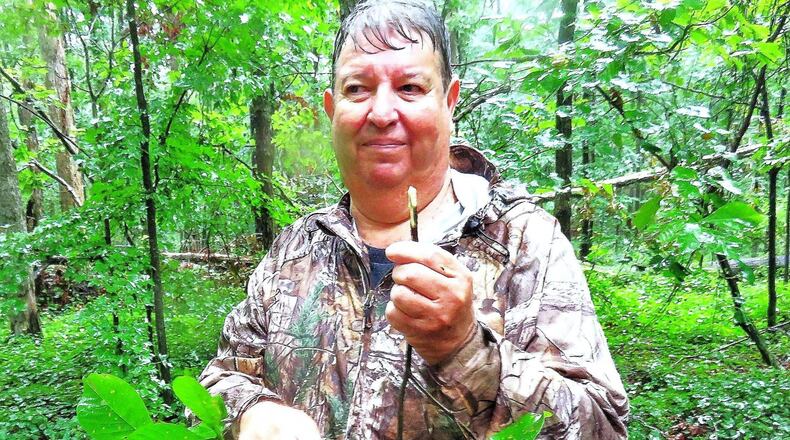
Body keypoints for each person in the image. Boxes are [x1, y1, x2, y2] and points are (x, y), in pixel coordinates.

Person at [197, 1, 629, 438]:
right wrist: (253, 413)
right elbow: (217, 383)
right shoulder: (297, 247)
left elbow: (603, 427)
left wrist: (467, 351)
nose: (381, 114)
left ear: (449, 101)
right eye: (357, 89)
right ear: (332, 110)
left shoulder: (522, 241)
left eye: (409, 87)